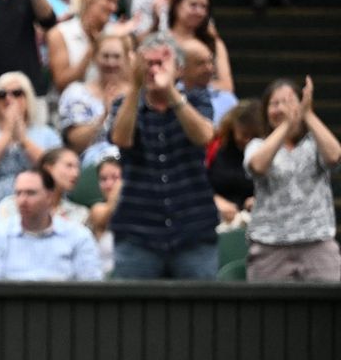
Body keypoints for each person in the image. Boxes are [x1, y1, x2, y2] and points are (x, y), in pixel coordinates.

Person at [109, 32, 217, 279]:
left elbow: (203, 136)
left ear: (179, 70)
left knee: (200, 314)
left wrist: (170, 92)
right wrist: (135, 87)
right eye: (148, 64)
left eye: (161, 64)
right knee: (130, 314)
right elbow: (121, 139)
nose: (153, 70)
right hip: (138, 232)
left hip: (193, 230)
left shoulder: (197, 99)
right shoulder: (123, 104)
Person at [244, 78, 341, 281]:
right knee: (266, 310)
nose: (281, 109)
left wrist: (308, 114)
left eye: (289, 102)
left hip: (317, 242)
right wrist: (286, 125)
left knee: (327, 310)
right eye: (274, 104)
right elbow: (258, 166)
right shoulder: (257, 145)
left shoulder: (314, 144)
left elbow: (334, 157)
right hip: (269, 246)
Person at [0, 71, 63, 220]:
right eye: (1, 94)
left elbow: (58, 174)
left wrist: (23, 140)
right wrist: (6, 136)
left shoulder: (47, 134)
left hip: (42, 213)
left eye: (17, 93)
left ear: (28, 98)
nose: (8, 98)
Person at [0, 168, 102, 280]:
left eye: (31, 193)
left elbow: (91, 287)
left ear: (49, 196)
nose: (22, 201)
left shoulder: (78, 236)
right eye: (18, 193)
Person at [58, 33, 133, 165]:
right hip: (91, 167)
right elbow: (75, 142)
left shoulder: (136, 95)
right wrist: (104, 116)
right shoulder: (76, 92)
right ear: (94, 57)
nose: (110, 62)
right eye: (105, 56)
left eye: (116, 56)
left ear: (127, 59)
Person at [47, 0, 122, 94]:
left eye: (115, 2)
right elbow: (62, 83)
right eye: (109, 0)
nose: (113, 8)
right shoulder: (60, 34)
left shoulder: (116, 35)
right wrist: (92, 49)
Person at [0, 145, 90, 226]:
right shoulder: (11, 206)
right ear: (48, 168)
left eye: (78, 167)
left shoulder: (80, 213)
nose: (76, 174)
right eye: (69, 166)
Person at [167, 0, 232, 94]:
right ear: (177, 5)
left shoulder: (213, 42)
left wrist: (195, 85)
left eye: (204, 7)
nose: (199, 12)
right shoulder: (157, 41)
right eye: (193, 5)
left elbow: (227, 86)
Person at [208, 99, 257, 228]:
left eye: (253, 136)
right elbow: (197, 182)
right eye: (244, 134)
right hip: (218, 219)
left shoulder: (263, 150)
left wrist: (260, 200)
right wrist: (215, 200)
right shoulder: (216, 147)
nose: (248, 141)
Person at [179, 36, 236, 126]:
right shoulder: (170, 98)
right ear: (181, 68)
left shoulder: (228, 101)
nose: (209, 68)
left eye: (210, 62)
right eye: (200, 63)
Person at [86, 153, 121, 275]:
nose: (109, 184)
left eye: (115, 178)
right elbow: (107, 215)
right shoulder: (97, 209)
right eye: (103, 179)